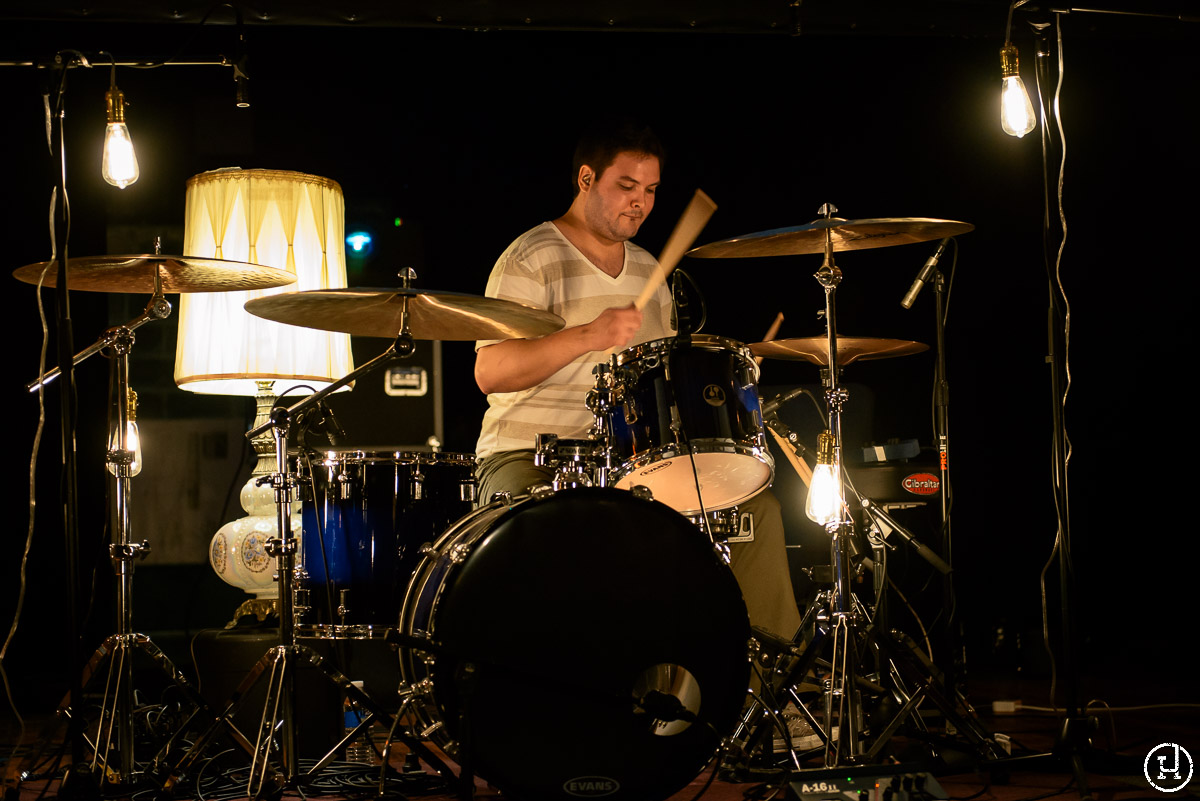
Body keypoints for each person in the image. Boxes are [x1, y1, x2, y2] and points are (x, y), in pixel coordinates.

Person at [473, 119, 801, 639]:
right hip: (530, 455)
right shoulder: (531, 257)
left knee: (755, 510)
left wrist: (726, 373)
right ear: (586, 179)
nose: (640, 203)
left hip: (628, 459)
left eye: (650, 191)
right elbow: (490, 372)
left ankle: (765, 694)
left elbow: (665, 383)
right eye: (626, 187)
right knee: (571, 532)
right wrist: (586, 335)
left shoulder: (650, 269)